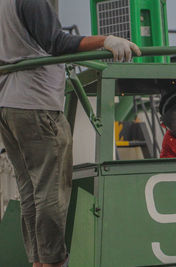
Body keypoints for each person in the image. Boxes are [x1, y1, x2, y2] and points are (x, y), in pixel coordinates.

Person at [0, 0, 141, 266]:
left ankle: (39, 261)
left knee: (30, 191)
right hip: (37, 105)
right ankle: (53, 261)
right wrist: (105, 40)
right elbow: (56, 42)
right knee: (50, 191)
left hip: (8, 105)